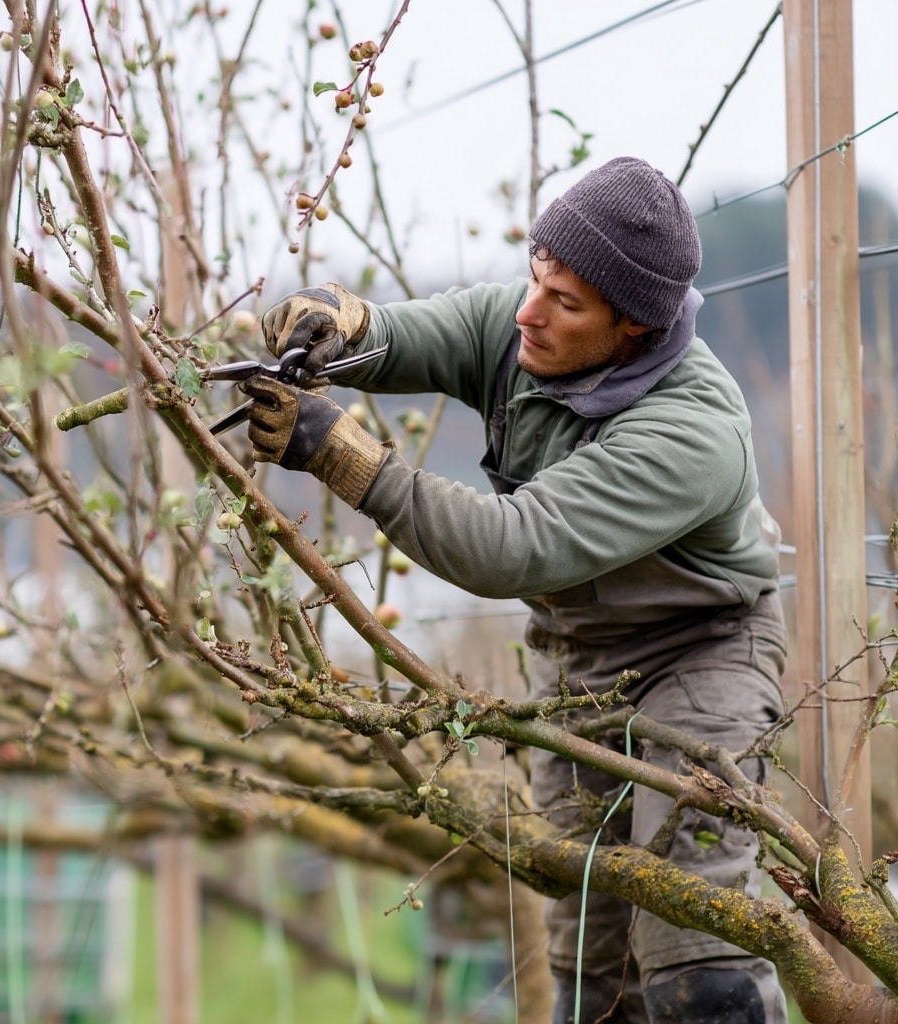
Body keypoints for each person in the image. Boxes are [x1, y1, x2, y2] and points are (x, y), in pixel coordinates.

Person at [239, 156, 789, 1024]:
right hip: (578, 671)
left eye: (566, 303)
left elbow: (511, 547)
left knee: (697, 968)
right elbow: (411, 336)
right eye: (538, 278)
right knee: (592, 975)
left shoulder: (690, 431)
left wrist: (343, 457)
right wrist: (340, 324)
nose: (530, 310)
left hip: (704, 659)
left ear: (637, 327)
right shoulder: (523, 326)